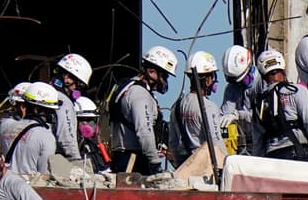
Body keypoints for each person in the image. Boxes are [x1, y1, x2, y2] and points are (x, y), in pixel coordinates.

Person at [251, 49, 308, 162]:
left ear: (262, 74)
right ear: (283, 68)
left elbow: (258, 143)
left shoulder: (258, 103)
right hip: (300, 153)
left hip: (272, 157)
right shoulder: (297, 91)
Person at [110, 46, 177, 174]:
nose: (165, 81)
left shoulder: (129, 87)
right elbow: (144, 131)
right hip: (133, 161)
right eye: (164, 76)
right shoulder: (140, 94)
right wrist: (154, 162)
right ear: (151, 71)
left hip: (124, 158)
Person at [169, 51, 225, 164]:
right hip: (205, 166)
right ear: (208, 80)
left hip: (185, 166)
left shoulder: (177, 106)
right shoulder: (208, 107)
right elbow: (216, 143)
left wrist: (181, 166)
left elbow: (173, 143)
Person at [5, 82, 60, 177]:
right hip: (28, 188)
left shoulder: (5, 126)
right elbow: (44, 174)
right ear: (37, 109)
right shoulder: (46, 136)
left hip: (4, 185)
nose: (52, 114)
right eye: (49, 110)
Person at [51, 53, 92, 163]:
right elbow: (67, 139)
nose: (78, 89)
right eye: (79, 85)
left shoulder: (44, 93)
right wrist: (76, 161)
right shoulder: (64, 102)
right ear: (68, 78)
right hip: (52, 159)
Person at [219, 45, 256, 154]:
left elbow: (261, 116)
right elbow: (225, 112)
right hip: (242, 142)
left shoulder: (262, 84)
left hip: (260, 139)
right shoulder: (232, 88)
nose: (237, 84)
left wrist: (238, 115)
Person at [74, 96, 110, 173]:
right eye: (87, 120)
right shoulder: (73, 145)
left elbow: (103, 168)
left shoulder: (91, 145)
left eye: (92, 120)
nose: (91, 124)